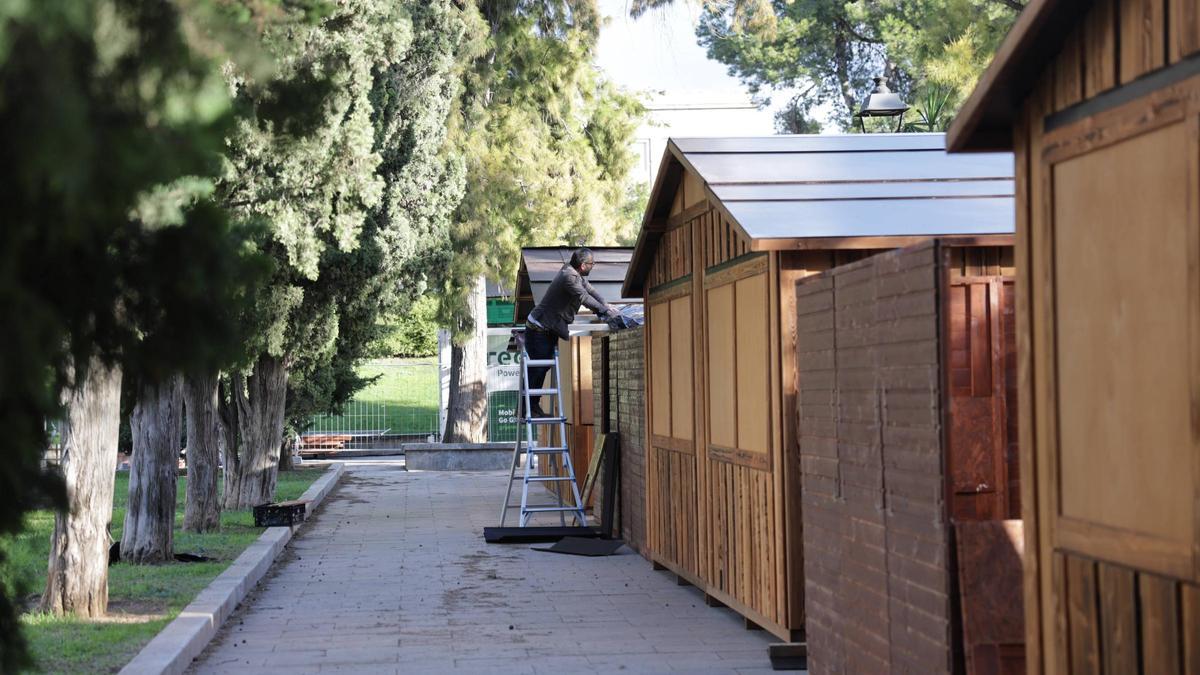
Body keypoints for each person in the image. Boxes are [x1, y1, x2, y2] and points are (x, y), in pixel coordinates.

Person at [524, 248, 616, 418]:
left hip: (545, 329)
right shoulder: (569, 277)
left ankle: (531, 407)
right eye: (591, 264)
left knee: (542, 367)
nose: (593, 266)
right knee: (539, 368)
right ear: (582, 265)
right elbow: (584, 297)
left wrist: (606, 304)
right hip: (538, 329)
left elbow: (590, 290)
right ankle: (526, 409)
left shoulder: (574, 273)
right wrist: (604, 311)